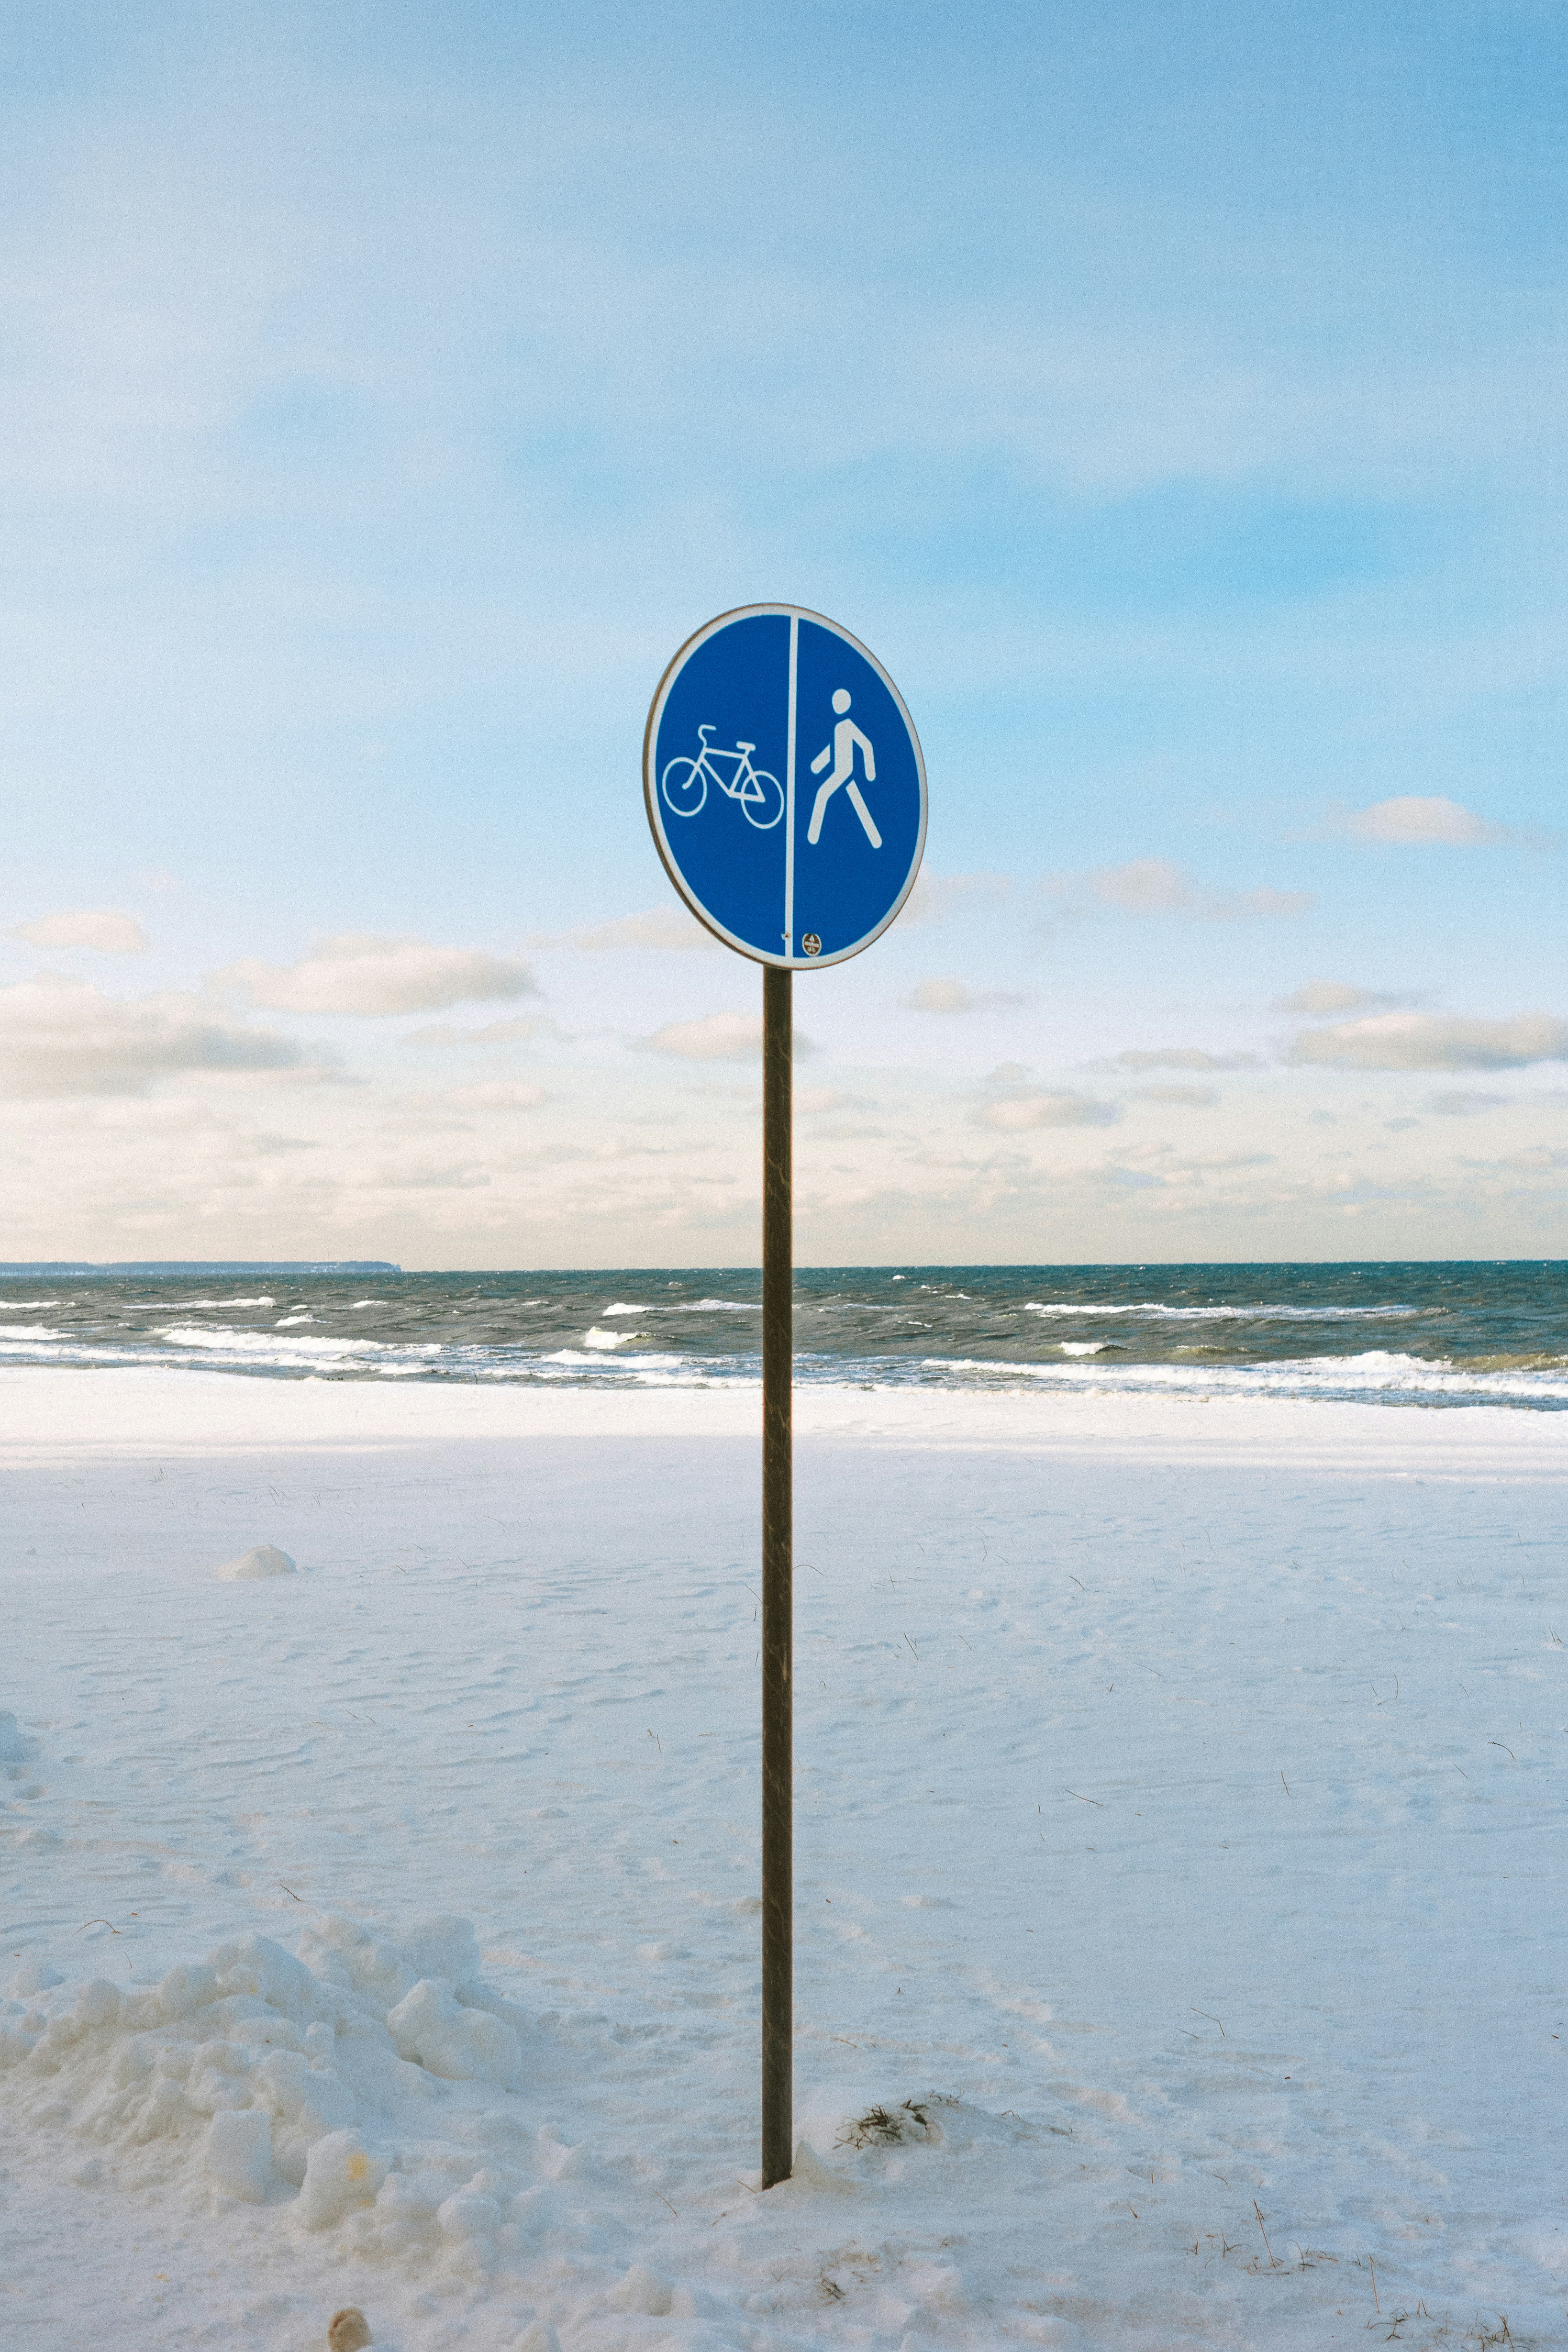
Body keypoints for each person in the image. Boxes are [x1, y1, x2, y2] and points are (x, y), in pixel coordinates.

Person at [807, 689, 882, 847]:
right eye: (835, 702)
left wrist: (870, 773)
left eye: (838, 702)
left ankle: (812, 837)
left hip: (845, 771)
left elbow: (866, 745)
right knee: (858, 803)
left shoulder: (848, 726)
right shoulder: (839, 727)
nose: (835, 705)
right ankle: (876, 840)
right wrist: (818, 765)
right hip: (841, 771)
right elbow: (833, 749)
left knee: (822, 794)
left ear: (845, 705)